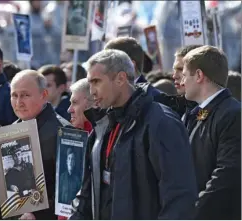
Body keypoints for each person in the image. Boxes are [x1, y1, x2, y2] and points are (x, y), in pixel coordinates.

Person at [70, 49, 198, 219]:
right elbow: (87, 195)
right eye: (90, 82)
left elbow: (179, 197)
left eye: (96, 81)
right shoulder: (101, 126)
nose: (92, 91)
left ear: (121, 78)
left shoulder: (161, 122)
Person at [0, 70, 71, 220]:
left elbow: (70, 190)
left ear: (44, 95)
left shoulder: (64, 132)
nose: (18, 102)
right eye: (14, 95)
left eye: (25, 95)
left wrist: (38, 214)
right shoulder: (9, 133)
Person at [181, 46, 241, 219]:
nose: (182, 82)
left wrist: (193, 211)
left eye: (185, 75)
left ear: (199, 76)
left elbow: (227, 174)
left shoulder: (233, 114)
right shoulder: (200, 113)